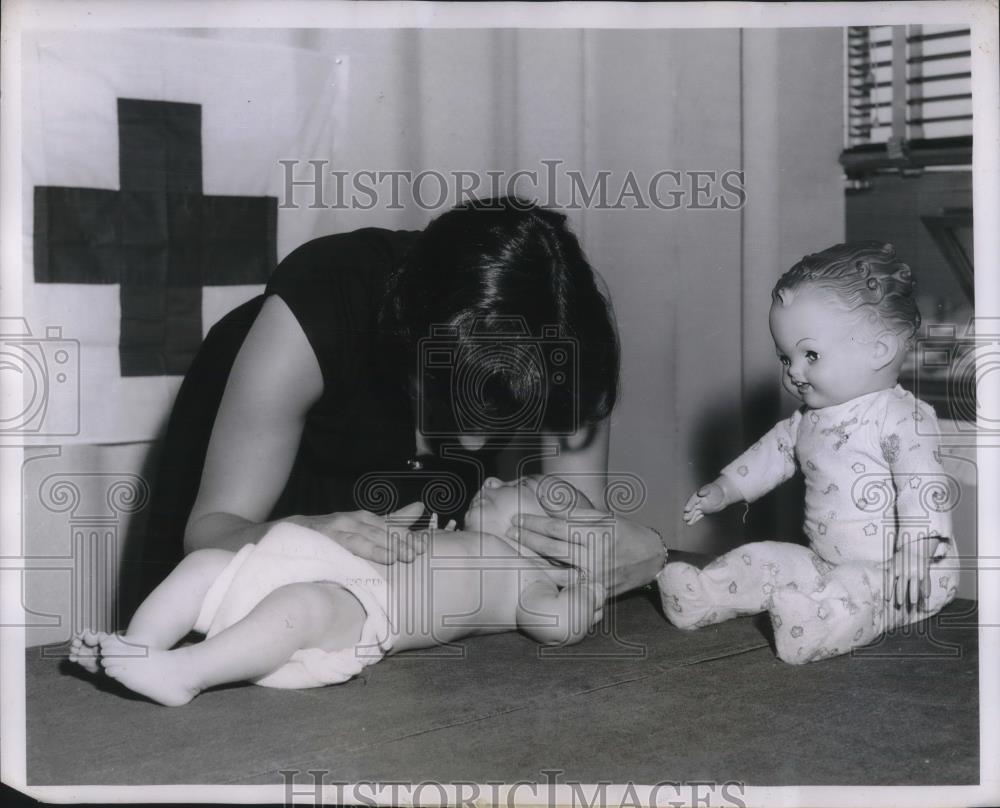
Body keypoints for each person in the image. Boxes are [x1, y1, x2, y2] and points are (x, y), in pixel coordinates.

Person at [140, 196, 664, 614]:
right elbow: (209, 532)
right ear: (409, 342)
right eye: (452, 406)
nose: (474, 447)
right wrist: (299, 533)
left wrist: (648, 548)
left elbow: (571, 538)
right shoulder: (319, 304)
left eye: (507, 419)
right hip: (254, 527)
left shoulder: (558, 331)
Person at [657, 242, 959, 664]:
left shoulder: (900, 416)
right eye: (786, 357)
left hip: (908, 573)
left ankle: (815, 628)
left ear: (880, 349)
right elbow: (772, 453)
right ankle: (703, 596)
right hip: (824, 561)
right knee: (762, 557)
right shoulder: (808, 420)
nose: (794, 371)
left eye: (810, 354)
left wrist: (917, 547)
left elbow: (922, 482)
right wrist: (726, 489)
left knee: (857, 591)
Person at [70, 476, 605, 706]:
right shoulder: (459, 534)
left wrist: (586, 592)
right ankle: (139, 648)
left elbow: (555, 624)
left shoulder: (526, 576)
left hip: (368, 611)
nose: (493, 483)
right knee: (208, 563)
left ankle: (185, 674)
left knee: (301, 608)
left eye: (527, 489)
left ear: (557, 542)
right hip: (319, 561)